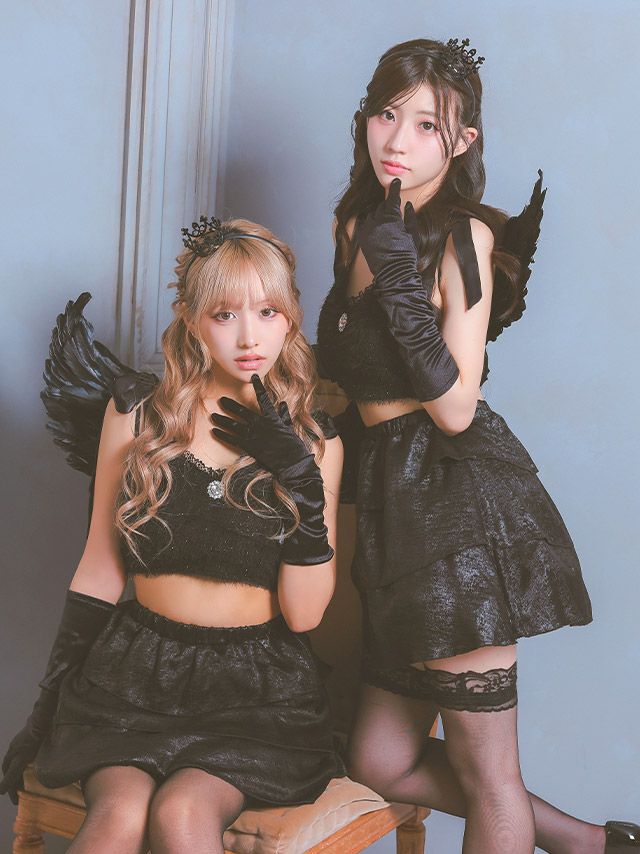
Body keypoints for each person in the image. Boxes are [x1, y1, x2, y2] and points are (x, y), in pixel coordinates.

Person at [316, 37, 638, 853]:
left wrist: (399, 280)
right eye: (387, 114)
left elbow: (457, 406)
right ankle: (590, 844)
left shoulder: (465, 237)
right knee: (379, 759)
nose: (398, 139)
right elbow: (350, 378)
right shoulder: (354, 223)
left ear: (461, 142)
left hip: (452, 503)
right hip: (386, 507)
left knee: (489, 771)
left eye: (427, 125)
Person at [1, 217, 345, 853]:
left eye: (268, 312)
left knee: (183, 814)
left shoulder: (315, 444)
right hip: (133, 676)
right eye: (224, 314)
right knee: (118, 816)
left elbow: (304, 616)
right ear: (191, 319)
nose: (250, 336)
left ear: (291, 318)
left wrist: (299, 477)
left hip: (254, 693)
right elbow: (100, 568)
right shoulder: (138, 415)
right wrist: (46, 704)